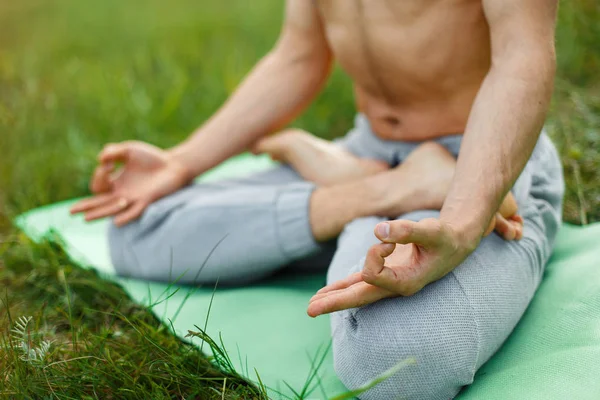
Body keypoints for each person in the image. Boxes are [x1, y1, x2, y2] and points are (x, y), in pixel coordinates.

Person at [70, 1, 564, 399]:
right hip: (368, 152)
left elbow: (522, 60)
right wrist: (181, 162)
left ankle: (400, 188)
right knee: (136, 226)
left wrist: (463, 218)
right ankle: (385, 187)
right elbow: (299, 54)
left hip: (482, 164)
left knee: (395, 369)